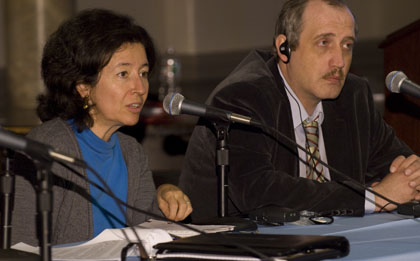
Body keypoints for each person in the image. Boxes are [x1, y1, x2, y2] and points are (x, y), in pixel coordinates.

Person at [179, 0, 420, 221]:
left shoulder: (353, 96)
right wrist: (372, 199)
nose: (339, 61)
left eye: (347, 45)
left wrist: (412, 177)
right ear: (284, 48)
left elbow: (397, 165)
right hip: (238, 248)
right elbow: (258, 190)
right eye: (324, 43)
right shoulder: (242, 97)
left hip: (332, 242)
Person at [11, 9, 192, 246]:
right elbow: (21, 248)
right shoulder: (48, 147)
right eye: (123, 73)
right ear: (83, 86)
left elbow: (149, 233)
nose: (139, 87)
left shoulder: (131, 151)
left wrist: (165, 194)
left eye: (144, 73)